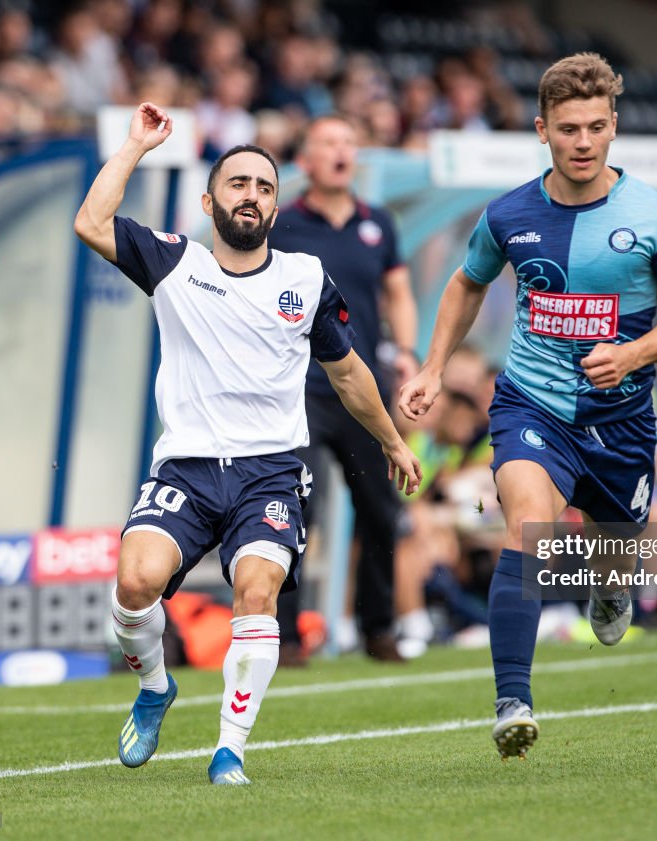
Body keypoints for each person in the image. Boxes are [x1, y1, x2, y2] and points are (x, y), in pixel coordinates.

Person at [73, 102, 421, 785]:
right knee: (135, 582)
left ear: (276, 204)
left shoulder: (304, 279)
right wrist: (136, 145)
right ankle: (153, 689)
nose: (252, 196)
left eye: (264, 187)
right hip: (188, 468)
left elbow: (348, 372)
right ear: (210, 201)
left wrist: (391, 441)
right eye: (238, 184)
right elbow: (91, 223)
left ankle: (230, 748)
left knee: (256, 590)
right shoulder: (175, 263)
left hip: (269, 473)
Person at [398, 53, 657, 760]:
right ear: (542, 129)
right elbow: (466, 283)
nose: (584, 141)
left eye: (597, 127)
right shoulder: (509, 214)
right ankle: (513, 700)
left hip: (622, 422)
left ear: (614, 126)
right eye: (569, 128)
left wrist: (631, 355)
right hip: (531, 405)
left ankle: (611, 590)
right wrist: (435, 366)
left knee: (615, 553)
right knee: (529, 530)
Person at [269, 114, 419, 663]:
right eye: (328, 142)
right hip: (299, 391)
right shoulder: (281, 224)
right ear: (305, 161)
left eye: (348, 142)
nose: (340, 151)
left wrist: (405, 351)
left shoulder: (378, 223)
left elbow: (398, 293)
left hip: (361, 393)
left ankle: (379, 631)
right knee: (289, 508)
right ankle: (284, 638)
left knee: (380, 509)